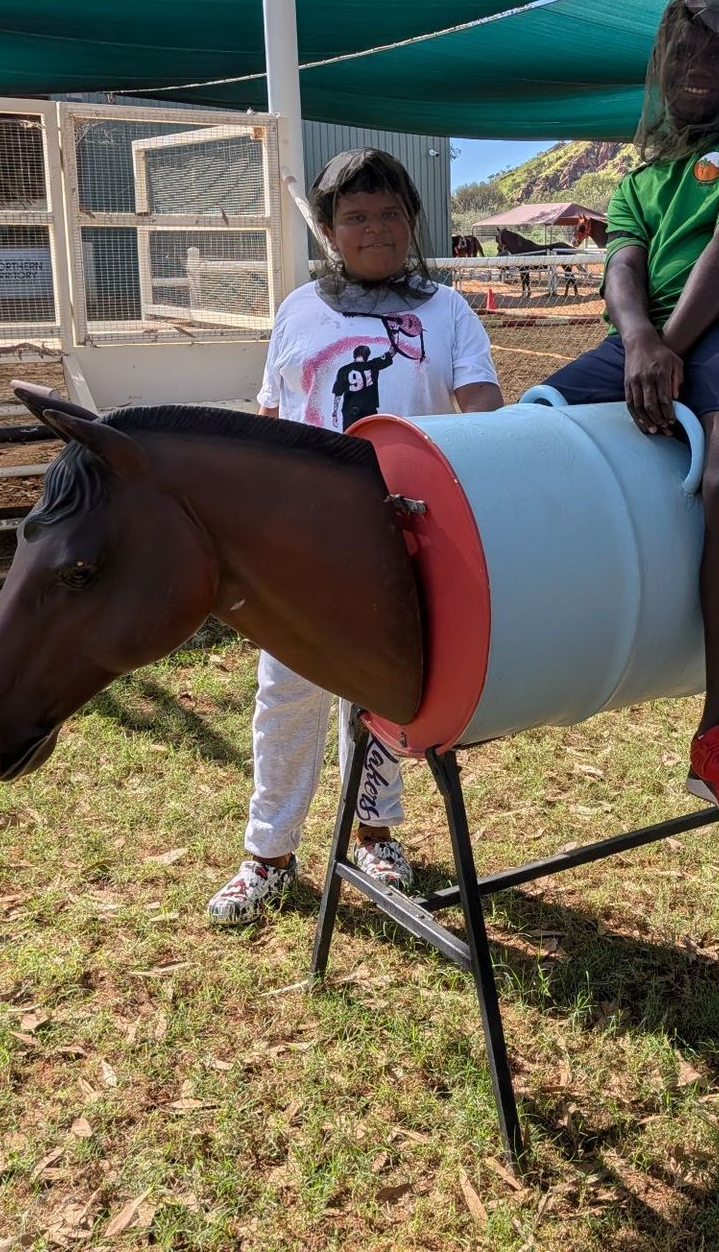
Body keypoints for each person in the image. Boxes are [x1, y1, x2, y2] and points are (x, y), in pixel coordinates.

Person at [209, 148, 503, 925]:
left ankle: (374, 831)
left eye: (389, 213)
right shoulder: (299, 310)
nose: (374, 229)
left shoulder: (447, 312)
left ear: (412, 222)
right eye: (354, 216)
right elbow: (275, 419)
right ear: (331, 232)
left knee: (385, 695)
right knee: (288, 694)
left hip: (407, 542)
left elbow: (482, 411)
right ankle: (267, 853)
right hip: (305, 544)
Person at [540, 0, 719, 817]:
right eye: (684, 55)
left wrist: (667, 348)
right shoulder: (640, 174)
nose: (699, 70)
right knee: (533, 417)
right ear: (662, 66)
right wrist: (641, 343)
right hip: (646, 337)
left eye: (717, 56)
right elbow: (621, 268)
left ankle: (718, 731)